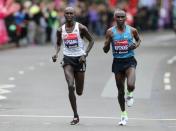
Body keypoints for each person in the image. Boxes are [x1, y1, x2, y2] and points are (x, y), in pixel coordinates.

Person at [52, 7, 94, 125]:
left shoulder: (81, 28)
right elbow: (58, 43)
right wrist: (56, 53)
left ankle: (78, 92)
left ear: (74, 15)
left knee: (79, 91)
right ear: (64, 15)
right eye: (67, 13)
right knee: (71, 86)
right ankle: (75, 115)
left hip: (80, 59)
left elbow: (91, 41)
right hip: (68, 59)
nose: (69, 15)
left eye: (71, 13)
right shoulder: (60, 30)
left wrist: (85, 54)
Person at [103, 9, 141, 126]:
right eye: (118, 17)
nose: (120, 19)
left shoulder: (132, 30)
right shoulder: (110, 32)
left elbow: (139, 40)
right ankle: (123, 114)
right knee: (120, 91)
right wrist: (107, 43)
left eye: (122, 17)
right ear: (114, 18)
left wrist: (135, 45)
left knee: (130, 85)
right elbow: (105, 50)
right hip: (117, 63)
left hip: (130, 61)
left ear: (125, 18)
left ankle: (130, 93)